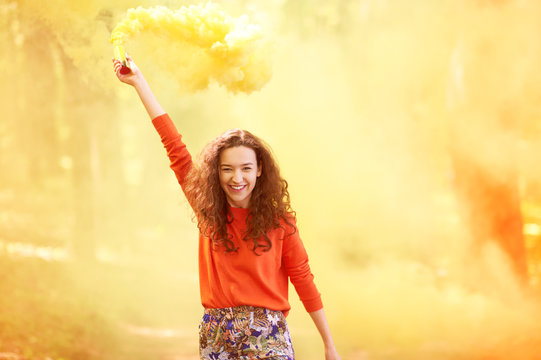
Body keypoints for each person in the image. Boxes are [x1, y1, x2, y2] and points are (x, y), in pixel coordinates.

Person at [113, 56, 341, 360]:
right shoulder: (207, 209)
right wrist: (139, 82)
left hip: (268, 336)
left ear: (259, 169)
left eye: (246, 168)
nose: (237, 178)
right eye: (227, 169)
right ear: (216, 172)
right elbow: (175, 148)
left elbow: (303, 278)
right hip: (216, 335)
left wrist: (329, 344)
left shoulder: (279, 222)